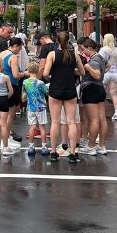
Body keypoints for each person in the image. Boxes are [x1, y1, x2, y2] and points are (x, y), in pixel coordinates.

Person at [43, 31, 85, 163]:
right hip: (70, 89)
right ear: (68, 41)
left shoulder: (52, 54)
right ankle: (73, 153)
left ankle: (54, 152)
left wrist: (52, 76)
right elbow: (82, 72)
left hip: (55, 88)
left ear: (57, 41)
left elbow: (45, 73)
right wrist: (71, 71)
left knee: (55, 122)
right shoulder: (75, 55)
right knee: (71, 121)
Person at [77, 37, 108, 155]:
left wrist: (88, 67)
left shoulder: (94, 60)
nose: (82, 52)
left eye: (84, 49)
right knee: (102, 119)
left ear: (90, 48)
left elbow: (97, 75)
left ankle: (90, 147)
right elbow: (107, 66)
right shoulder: (100, 58)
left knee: (94, 120)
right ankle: (102, 146)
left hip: (91, 90)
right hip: (100, 89)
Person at [22, 62, 50, 156]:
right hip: (41, 107)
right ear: (38, 71)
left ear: (29, 71)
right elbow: (46, 92)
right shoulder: (40, 83)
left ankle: (31, 146)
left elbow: (24, 95)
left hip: (30, 107)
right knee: (42, 127)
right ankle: (44, 147)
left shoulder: (25, 82)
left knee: (32, 127)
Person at [99, 33, 117, 122]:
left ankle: (101, 113)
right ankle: (116, 113)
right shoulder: (116, 51)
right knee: (114, 94)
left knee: (101, 93)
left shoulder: (103, 50)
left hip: (106, 73)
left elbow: (100, 61)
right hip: (115, 74)